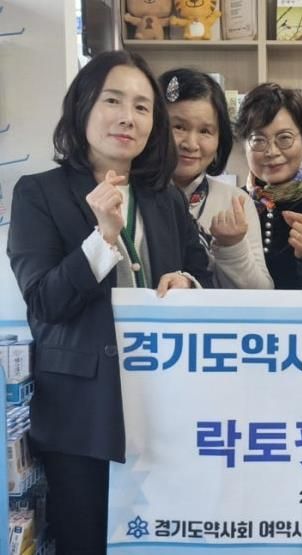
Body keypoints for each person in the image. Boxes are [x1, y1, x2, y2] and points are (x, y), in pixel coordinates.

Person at [7, 50, 213, 553]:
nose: (128, 117)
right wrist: (101, 239)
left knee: (163, 540)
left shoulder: (164, 197)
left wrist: (187, 283)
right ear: (83, 108)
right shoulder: (39, 193)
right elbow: (44, 302)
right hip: (80, 416)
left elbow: (203, 275)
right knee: (86, 541)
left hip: (163, 406)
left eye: (142, 107)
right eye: (113, 101)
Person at [160, 68, 273, 289]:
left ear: (220, 138)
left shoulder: (236, 202)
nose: (191, 144)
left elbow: (262, 293)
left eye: (205, 131)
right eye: (179, 127)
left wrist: (233, 247)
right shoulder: (135, 195)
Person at [234, 82, 302, 290]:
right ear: (244, 145)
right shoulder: (232, 205)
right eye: (259, 140)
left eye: (284, 138)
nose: (272, 152)